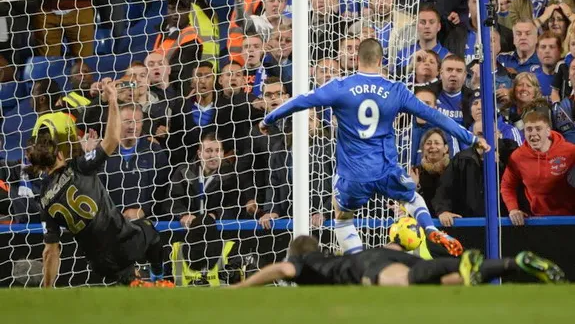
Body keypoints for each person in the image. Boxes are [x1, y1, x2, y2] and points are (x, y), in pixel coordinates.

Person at [259, 38, 490, 256]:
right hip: (386, 170)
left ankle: (359, 262)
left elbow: (301, 100)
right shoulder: (396, 90)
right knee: (411, 198)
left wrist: (269, 119)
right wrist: (470, 138)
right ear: (381, 61)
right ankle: (431, 230)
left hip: (353, 175)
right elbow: (434, 115)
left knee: (342, 218)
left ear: (358, 59)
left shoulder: (340, 86)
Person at [21, 81, 173, 288]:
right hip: (123, 241)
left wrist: (47, 289)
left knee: (125, 274)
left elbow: (50, 251)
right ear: (58, 154)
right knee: (149, 231)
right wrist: (111, 100)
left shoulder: (44, 199)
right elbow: (111, 140)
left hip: (98, 263)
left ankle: (133, 282)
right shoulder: (79, 167)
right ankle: (160, 279)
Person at [232, 235, 565, 287]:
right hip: (379, 252)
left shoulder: (307, 266)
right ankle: (513, 263)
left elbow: (281, 269)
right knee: (436, 280)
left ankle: (465, 266)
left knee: (402, 283)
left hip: (366, 266)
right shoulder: (331, 256)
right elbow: (392, 244)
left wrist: (242, 286)